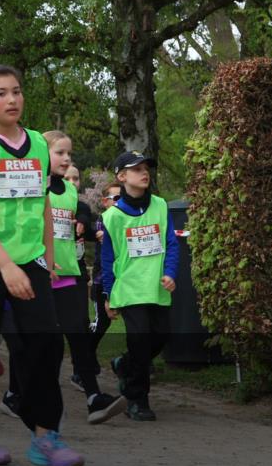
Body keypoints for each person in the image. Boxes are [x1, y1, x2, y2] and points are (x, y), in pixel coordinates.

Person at [0, 65, 84, 466]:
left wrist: (48, 257)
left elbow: (43, 204)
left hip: (30, 259)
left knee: (44, 344)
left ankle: (45, 437)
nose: (12, 100)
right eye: (1, 93)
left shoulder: (39, 147)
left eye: (17, 92)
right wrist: (5, 266)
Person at [43, 131, 125, 424]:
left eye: (69, 154)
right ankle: (21, 396)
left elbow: (76, 227)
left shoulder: (67, 192)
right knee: (48, 343)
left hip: (69, 272)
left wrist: (93, 231)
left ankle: (93, 397)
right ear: (43, 153)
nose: (67, 159)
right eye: (60, 153)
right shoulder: (35, 189)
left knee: (78, 334)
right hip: (41, 275)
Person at [102, 151, 179, 422]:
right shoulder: (112, 217)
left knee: (161, 335)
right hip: (130, 289)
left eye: (146, 168)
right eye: (136, 169)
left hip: (157, 288)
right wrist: (107, 294)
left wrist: (170, 272)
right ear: (122, 177)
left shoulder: (160, 205)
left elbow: (171, 243)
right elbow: (107, 258)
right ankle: (137, 399)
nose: (144, 173)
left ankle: (124, 364)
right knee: (139, 340)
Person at [91, 182, 120, 352]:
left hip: (124, 278)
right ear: (105, 202)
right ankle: (84, 356)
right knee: (102, 322)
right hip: (103, 277)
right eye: (115, 198)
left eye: (122, 198)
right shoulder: (103, 219)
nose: (119, 202)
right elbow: (100, 232)